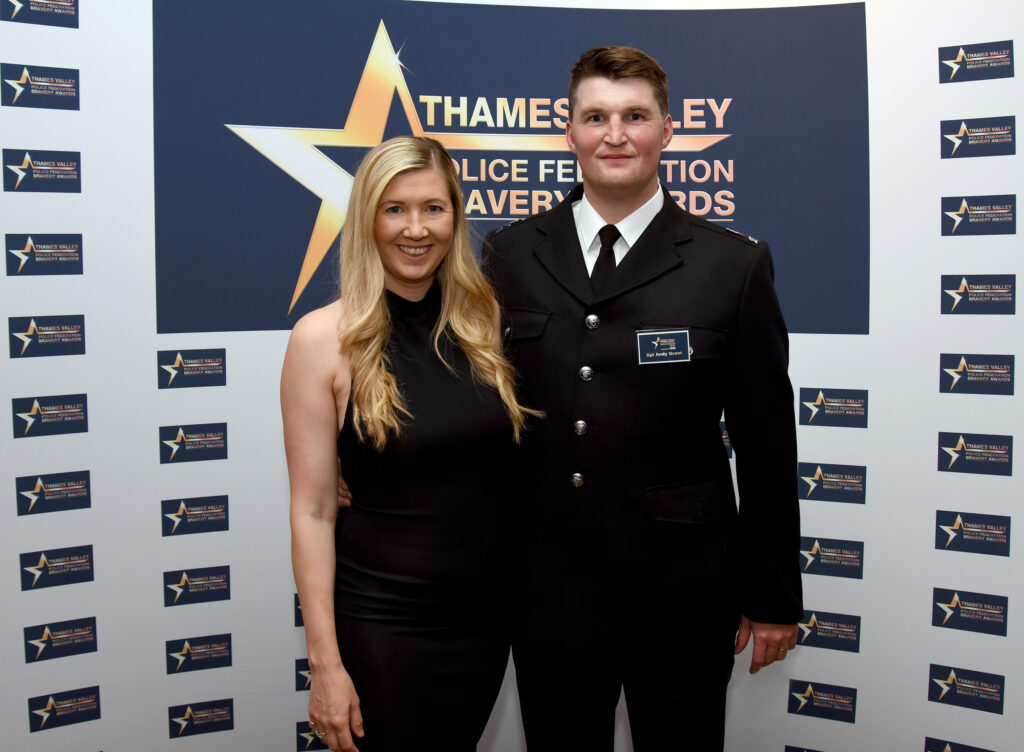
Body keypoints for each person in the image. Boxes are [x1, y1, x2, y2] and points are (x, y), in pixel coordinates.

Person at [482, 46, 802, 750]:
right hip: (550, 594)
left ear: (668, 129)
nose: (615, 134)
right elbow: (471, 405)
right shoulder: (506, 255)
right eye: (595, 116)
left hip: (683, 594)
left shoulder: (732, 264)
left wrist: (774, 596)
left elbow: (768, 444)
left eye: (634, 116)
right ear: (568, 132)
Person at [282, 135, 534, 752]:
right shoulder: (322, 340)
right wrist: (325, 665)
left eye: (433, 208)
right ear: (366, 216)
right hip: (383, 625)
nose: (415, 229)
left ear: (455, 216)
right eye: (394, 209)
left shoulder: (488, 325)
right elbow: (313, 511)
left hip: (483, 621)